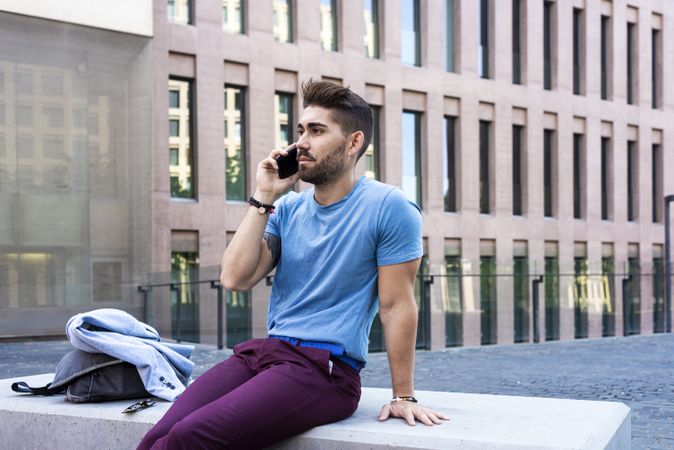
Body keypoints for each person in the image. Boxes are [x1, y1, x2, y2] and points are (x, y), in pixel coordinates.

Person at [138, 80, 448, 450]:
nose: (301, 141)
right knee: (160, 434)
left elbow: (396, 304)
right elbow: (235, 278)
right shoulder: (286, 208)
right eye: (300, 130)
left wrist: (404, 395)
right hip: (263, 354)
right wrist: (264, 196)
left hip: (324, 370)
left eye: (317, 131)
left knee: (191, 437)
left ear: (353, 143)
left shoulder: (390, 207)